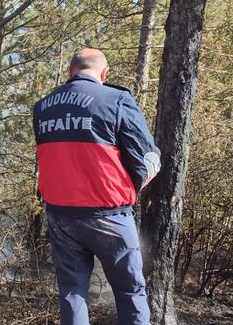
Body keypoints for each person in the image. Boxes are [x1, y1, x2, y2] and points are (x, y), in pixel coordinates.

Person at [33, 48, 160, 325]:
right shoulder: (116, 99)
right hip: (109, 215)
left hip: (60, 215)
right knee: (130, 291)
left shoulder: (42, 106)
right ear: (104, 74)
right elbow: (148, 160)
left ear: (71, 72)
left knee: (72, 292)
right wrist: (128, 188)